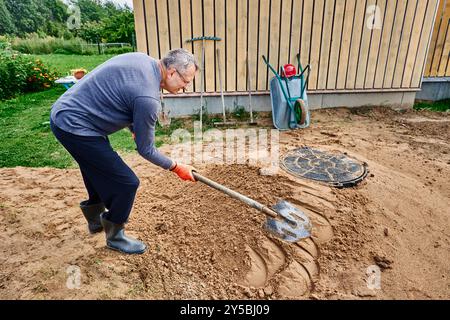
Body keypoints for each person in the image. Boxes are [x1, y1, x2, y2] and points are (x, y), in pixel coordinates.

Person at [50, 49, 198, 255]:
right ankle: (116, 236)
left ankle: (95, 221)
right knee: (127, 183)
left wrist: (135, 128)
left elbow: (121, 93)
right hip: (75, 125)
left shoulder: (142, 60)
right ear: (172, 72)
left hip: (65, 113)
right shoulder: (148, 98)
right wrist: (176, 167)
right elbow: (146, 150)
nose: (185, 88)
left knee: (94, 168)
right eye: (186, 81)